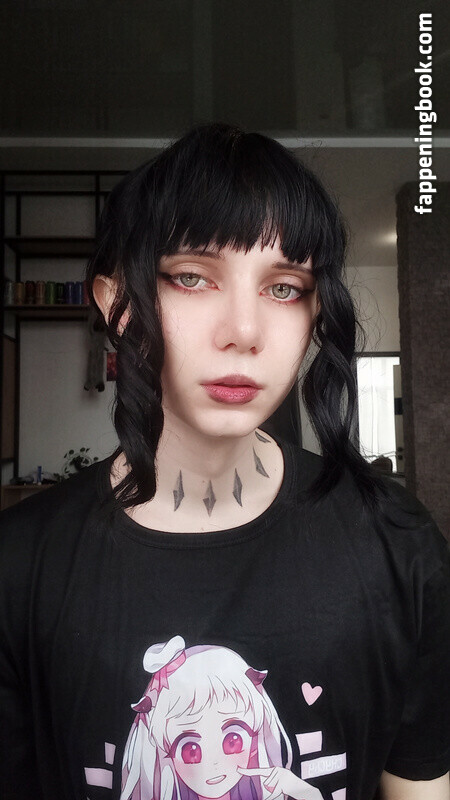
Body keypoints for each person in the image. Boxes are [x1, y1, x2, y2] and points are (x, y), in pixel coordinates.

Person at [0, 123, 449, 800]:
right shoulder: (19, 566)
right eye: (191, 277)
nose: (243, 331)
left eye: (284, 287)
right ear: (118, 306)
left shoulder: (399, 546)